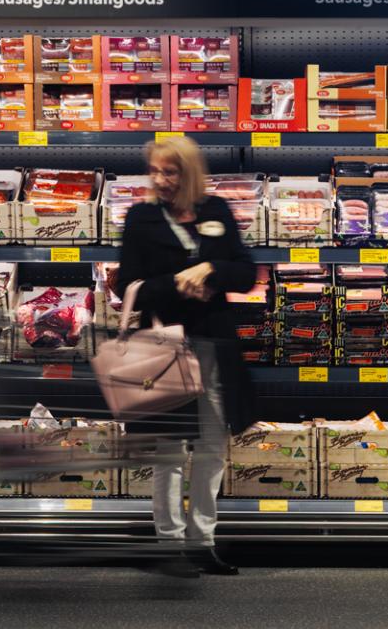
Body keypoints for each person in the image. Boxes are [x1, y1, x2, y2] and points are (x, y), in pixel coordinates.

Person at [114, 136, 258, 578]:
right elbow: (126, 286)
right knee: (169, 448)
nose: (160, 180)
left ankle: (203, 541)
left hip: (213, 341)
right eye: (155, 171)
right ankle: (170, 542)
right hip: (163, 341)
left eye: (170, 172)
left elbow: (247, 273)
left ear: (189, 173)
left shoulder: (216, 211)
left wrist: (212, 270)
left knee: (213, 445)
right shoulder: (140, 218)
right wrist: (178, 282)